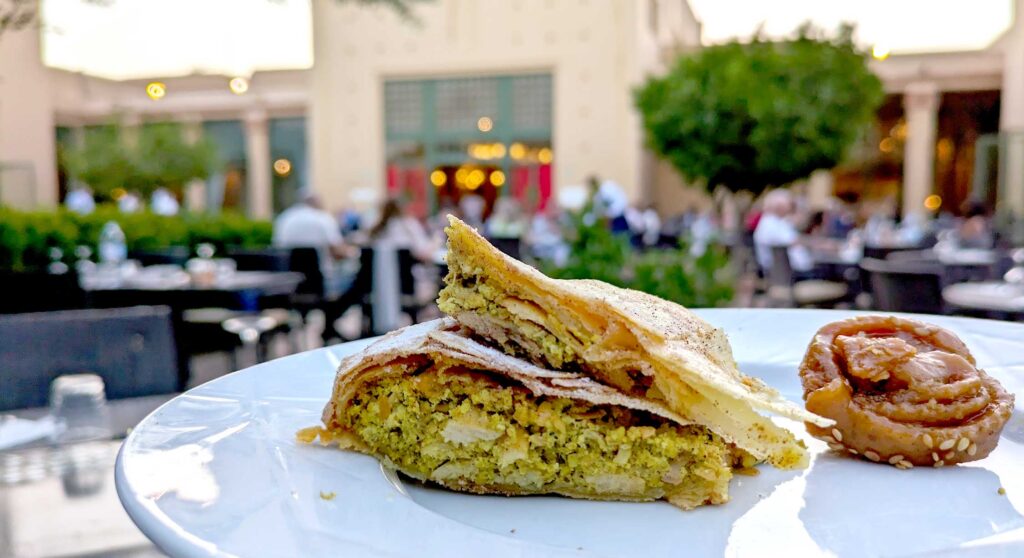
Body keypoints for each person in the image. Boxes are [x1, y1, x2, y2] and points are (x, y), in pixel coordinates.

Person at [273, 188, 356, 295]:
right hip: (319, 279)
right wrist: (353, 252)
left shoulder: (285, 218)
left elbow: (277, 246)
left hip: (289, 280)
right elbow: (337, 250)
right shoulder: (322, 218)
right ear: (318, 203)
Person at [753, 189, 813, 273]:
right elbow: (793, 241)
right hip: (786, 273)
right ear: (779, 206)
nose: (792, 208)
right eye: (790, 205)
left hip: (785, 270)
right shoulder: (771, 223)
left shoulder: (777, 222)